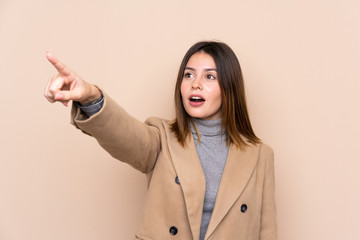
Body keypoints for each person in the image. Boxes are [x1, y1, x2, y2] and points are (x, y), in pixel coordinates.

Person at [44, 41, 277, 240]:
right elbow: (124, 134)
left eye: (209, 76)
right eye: (188, 74)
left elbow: (267, 232)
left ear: (229, 88)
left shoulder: (260, 155)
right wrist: (90, 96)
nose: (195, 83)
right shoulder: (161, 136)